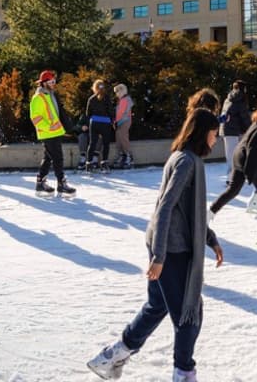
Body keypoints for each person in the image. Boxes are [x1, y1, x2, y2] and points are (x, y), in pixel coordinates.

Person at [87, 107, 224, 382]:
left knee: (157, 305)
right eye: (213, 133)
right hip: (171, 248)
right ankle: (183, 372)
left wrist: (210, 239)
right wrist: (160, 255)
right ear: (202, 133)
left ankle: (111, 356)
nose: (216, 138)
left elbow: (189, 211)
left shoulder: (183, 157)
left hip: (165, 243)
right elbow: (165, 208)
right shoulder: (187, 162)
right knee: (189, 313)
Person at [210, 96, 257, 242]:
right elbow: (254, 149)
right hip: (248, 160)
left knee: (233, 190)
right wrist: (249, 173)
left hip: (240, 157)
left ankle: (209, 214)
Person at [29, 70, 75, 195]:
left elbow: (55, 114)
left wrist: (62, 127)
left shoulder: (50, 95)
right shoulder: (38, 97)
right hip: (48, 133)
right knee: (58, 158)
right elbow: (36, 118)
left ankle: (40, 182)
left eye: (54, 81)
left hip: (53, 132)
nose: (53, 84)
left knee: (48, 158)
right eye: (51, 82)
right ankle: (61, 183)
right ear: (43, 83)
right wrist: (50, 127)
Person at [218, 80, 250, 182]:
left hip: (225, 129)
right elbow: (244, 116)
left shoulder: (228, 98)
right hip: (234, 130)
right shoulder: (239, 99)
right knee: (235, 156)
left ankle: (233, 177)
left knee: (231, 155)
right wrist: (250, 129)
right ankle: (232, 178)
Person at [85, 79, 114, 171]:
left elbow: (87, 113)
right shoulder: (107, 98)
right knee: (106, 144)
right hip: (105, 122)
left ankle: (89, 163)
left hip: (94, 122)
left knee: (92, 143)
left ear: (94, 88)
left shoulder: (91, 99)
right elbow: (111, 111)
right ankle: (104, 163)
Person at [112, 83, 135, 169]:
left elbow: (121, 112)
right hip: (120, 122)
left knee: (123, 138)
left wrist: (116, 121)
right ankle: (123, 156)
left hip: (124, 121)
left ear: (122, 91)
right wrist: (115, 121)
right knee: (119, 139)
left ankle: (128, 156)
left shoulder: (125, 100)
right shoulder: (122, 100)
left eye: (117, 92)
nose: (116, 94)